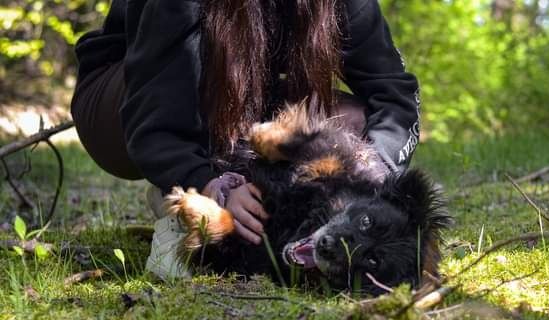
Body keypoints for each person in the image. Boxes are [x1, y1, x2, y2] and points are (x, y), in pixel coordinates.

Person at [71, 0, 420, 277]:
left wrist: (372, 182)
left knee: (353, 122)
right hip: (124, 100)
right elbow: (155, 116)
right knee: (209, 83)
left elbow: (393, 95)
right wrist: (208, 183)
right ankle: (181, 196)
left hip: (243, 94)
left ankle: (244, 205)